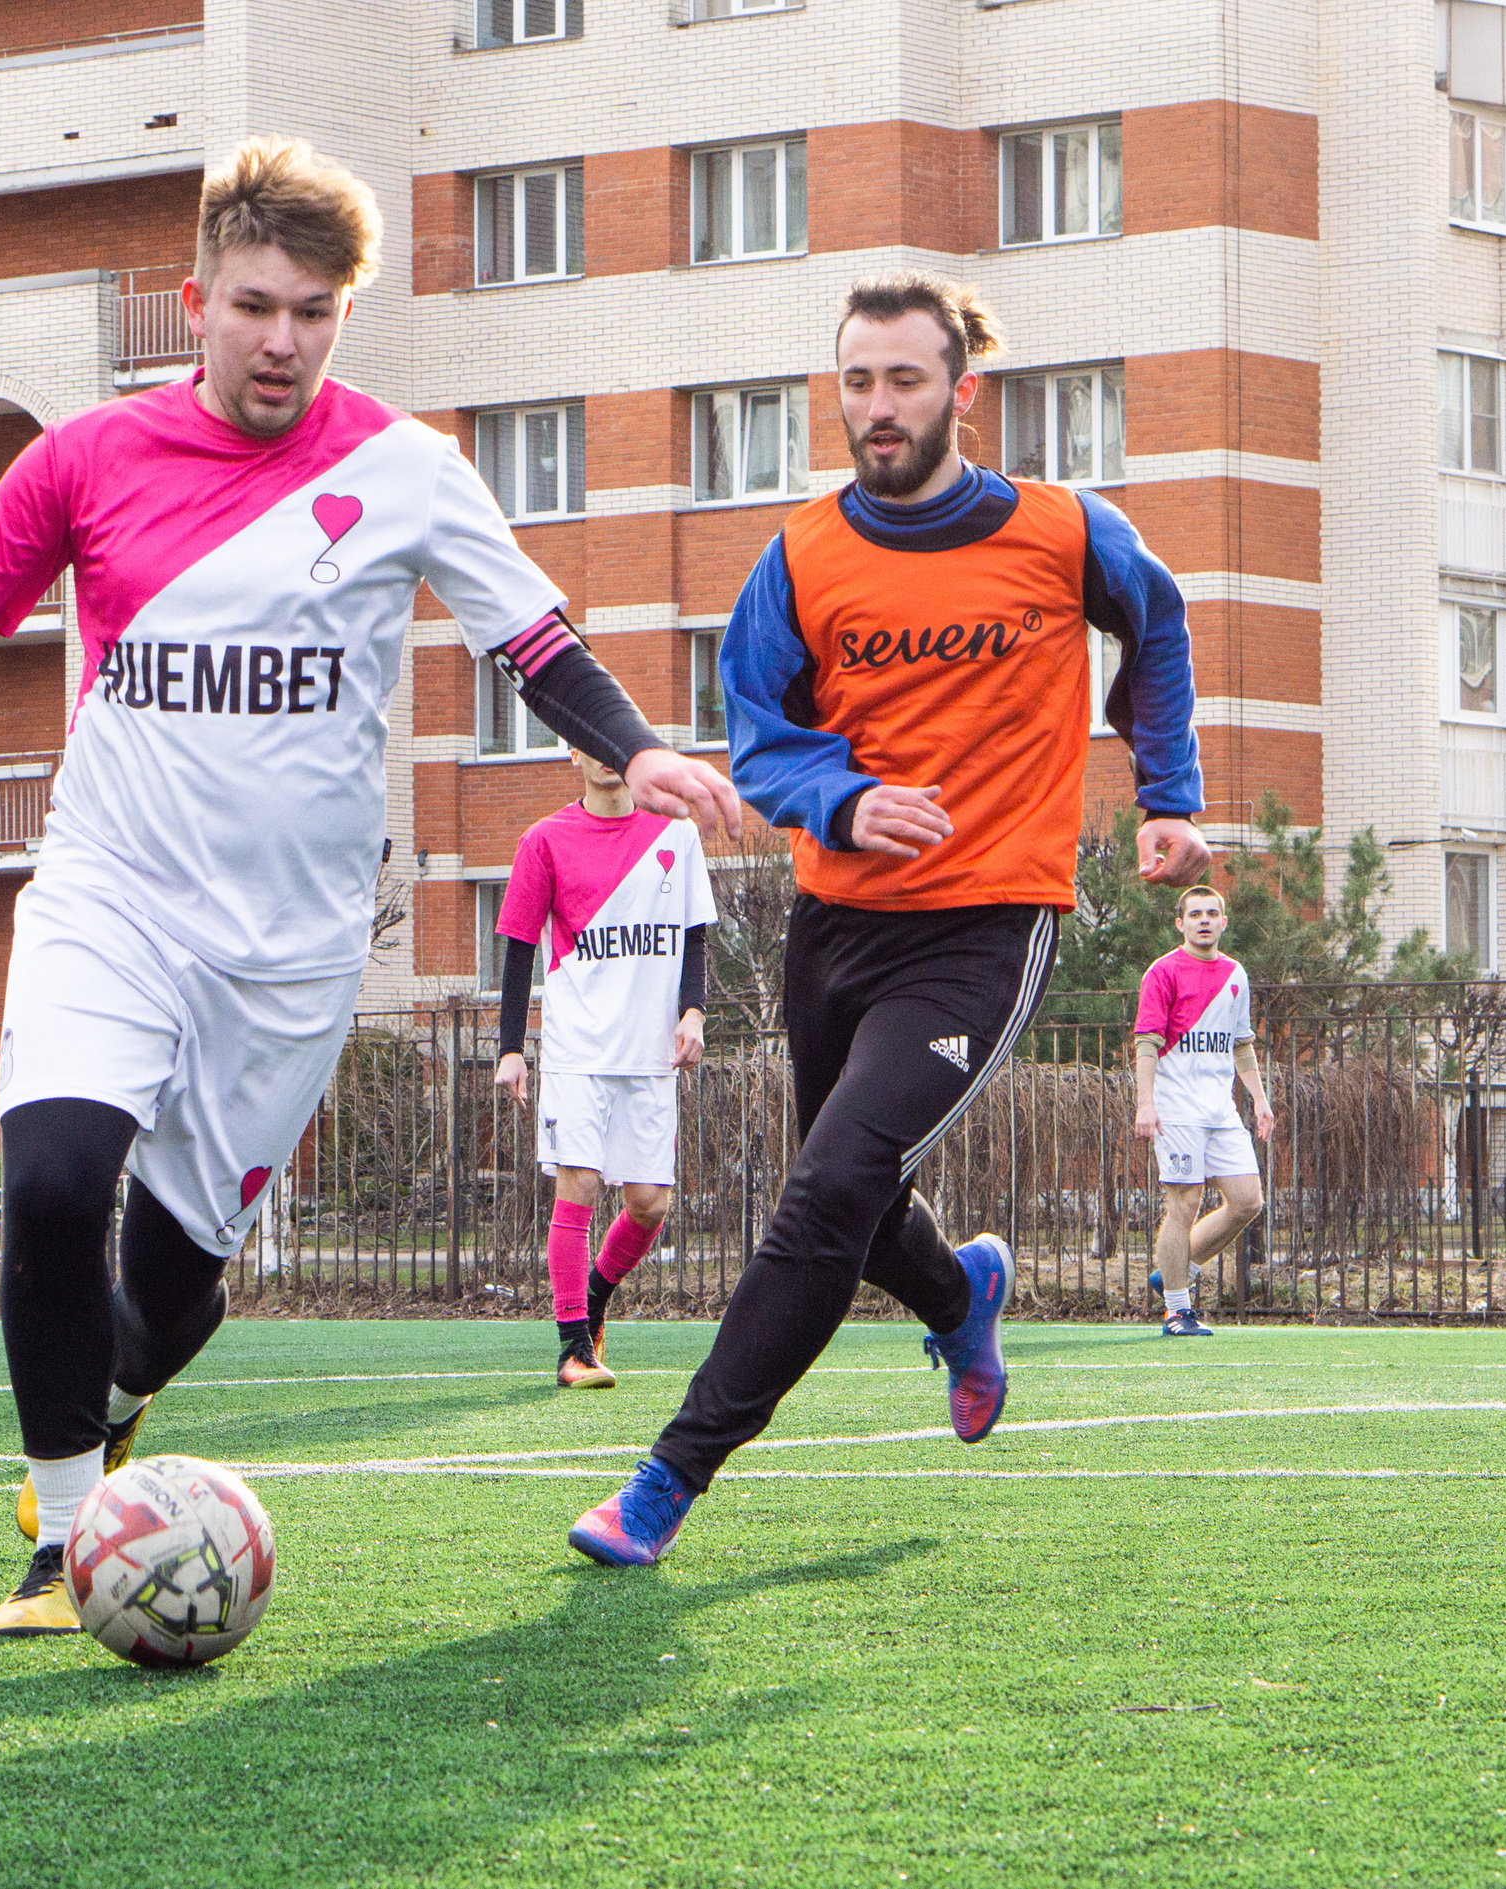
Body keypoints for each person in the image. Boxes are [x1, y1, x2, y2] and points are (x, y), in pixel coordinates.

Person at [0, 137, 738, 1635]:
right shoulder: (85, 458)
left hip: (293, 945)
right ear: (195, 298)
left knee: (177, 1278)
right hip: (111, 889)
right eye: (257, 305)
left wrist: (637, 748)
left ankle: (122, 1393)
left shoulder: (406, 470)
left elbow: (531, 639)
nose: (283, 340)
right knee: (60, 1181)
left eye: (316, 313)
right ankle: (63, 1535)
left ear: (344, 317)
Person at [568, 271, 1207, 1568]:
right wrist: (845, 801)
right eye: (856, 380)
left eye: (903, 379)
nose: (877, 405)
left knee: (826, 1192)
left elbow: (1158, 621)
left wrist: (1168, 792)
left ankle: (665, 1480)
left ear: (962, 390)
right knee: (855, 1198)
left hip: (983, 927)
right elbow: (761, 732)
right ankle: (958, 1289)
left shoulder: (1062, 530)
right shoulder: (803, 554)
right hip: (837, 924)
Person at [492, 748, 716, 1388]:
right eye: (587, 739)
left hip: (648, 1054)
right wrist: (512, 1047)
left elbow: (694, 934)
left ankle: (593, 1296)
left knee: (649, 1205)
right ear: (572, 751)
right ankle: (573, 1349)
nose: (603, 754)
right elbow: (519, 948)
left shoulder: (676, 835)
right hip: (576, 1051)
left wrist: (693, 1012)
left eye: (613, 739)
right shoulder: (544, 840)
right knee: (580, 1189)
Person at [1130, 885, 1273, 1337]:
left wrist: (1260, 1099)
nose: (1204, 920)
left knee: (1248, 1201)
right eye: (1195, 914)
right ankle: (1176, 1310)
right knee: (1185, 1203)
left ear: (1224, 922)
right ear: (1181, 923)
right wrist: (1146, 1103)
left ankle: (1174, 1270)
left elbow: (1242, 1044)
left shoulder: (1235, 974)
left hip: (1221, 1110)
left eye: (1212, 913)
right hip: (1177, 1109)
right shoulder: (1163, 971)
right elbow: (1146, 1042)